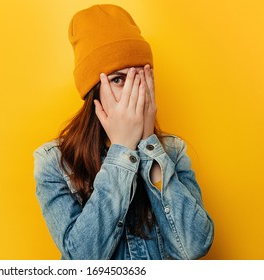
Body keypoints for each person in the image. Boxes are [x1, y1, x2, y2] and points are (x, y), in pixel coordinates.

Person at [33, 4, 214, 260]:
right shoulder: (53, 162)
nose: (134, 91)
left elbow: (194, 246)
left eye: (141, 77)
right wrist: (122, 151)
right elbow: (82, 261)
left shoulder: (173, 151)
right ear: (93, 92)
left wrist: (149, 144)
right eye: (118, 79)